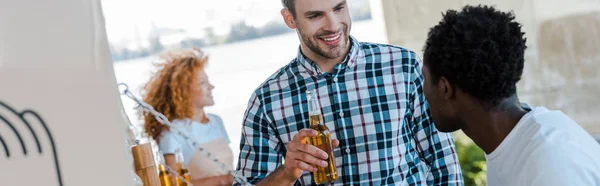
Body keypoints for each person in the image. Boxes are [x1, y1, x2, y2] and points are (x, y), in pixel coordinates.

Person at [236, 0, 463, 185]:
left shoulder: (402, 66)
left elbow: (443, 162)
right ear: (290, 19)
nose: (333, 25)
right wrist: (286, 173)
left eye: (339, 8)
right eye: (315, 16)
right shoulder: (266, 100)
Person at [422, 5, 600, 186]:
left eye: (425, 79)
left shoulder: (550, 165)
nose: (423, 91)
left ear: (445, 88)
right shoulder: (514, 143)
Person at [142, 48, 234, 186]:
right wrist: (222, 180)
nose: (211, 87)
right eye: (202, 82)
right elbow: (173, 183)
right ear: (183, 90)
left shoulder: (216, 121)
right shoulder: (171, 132)